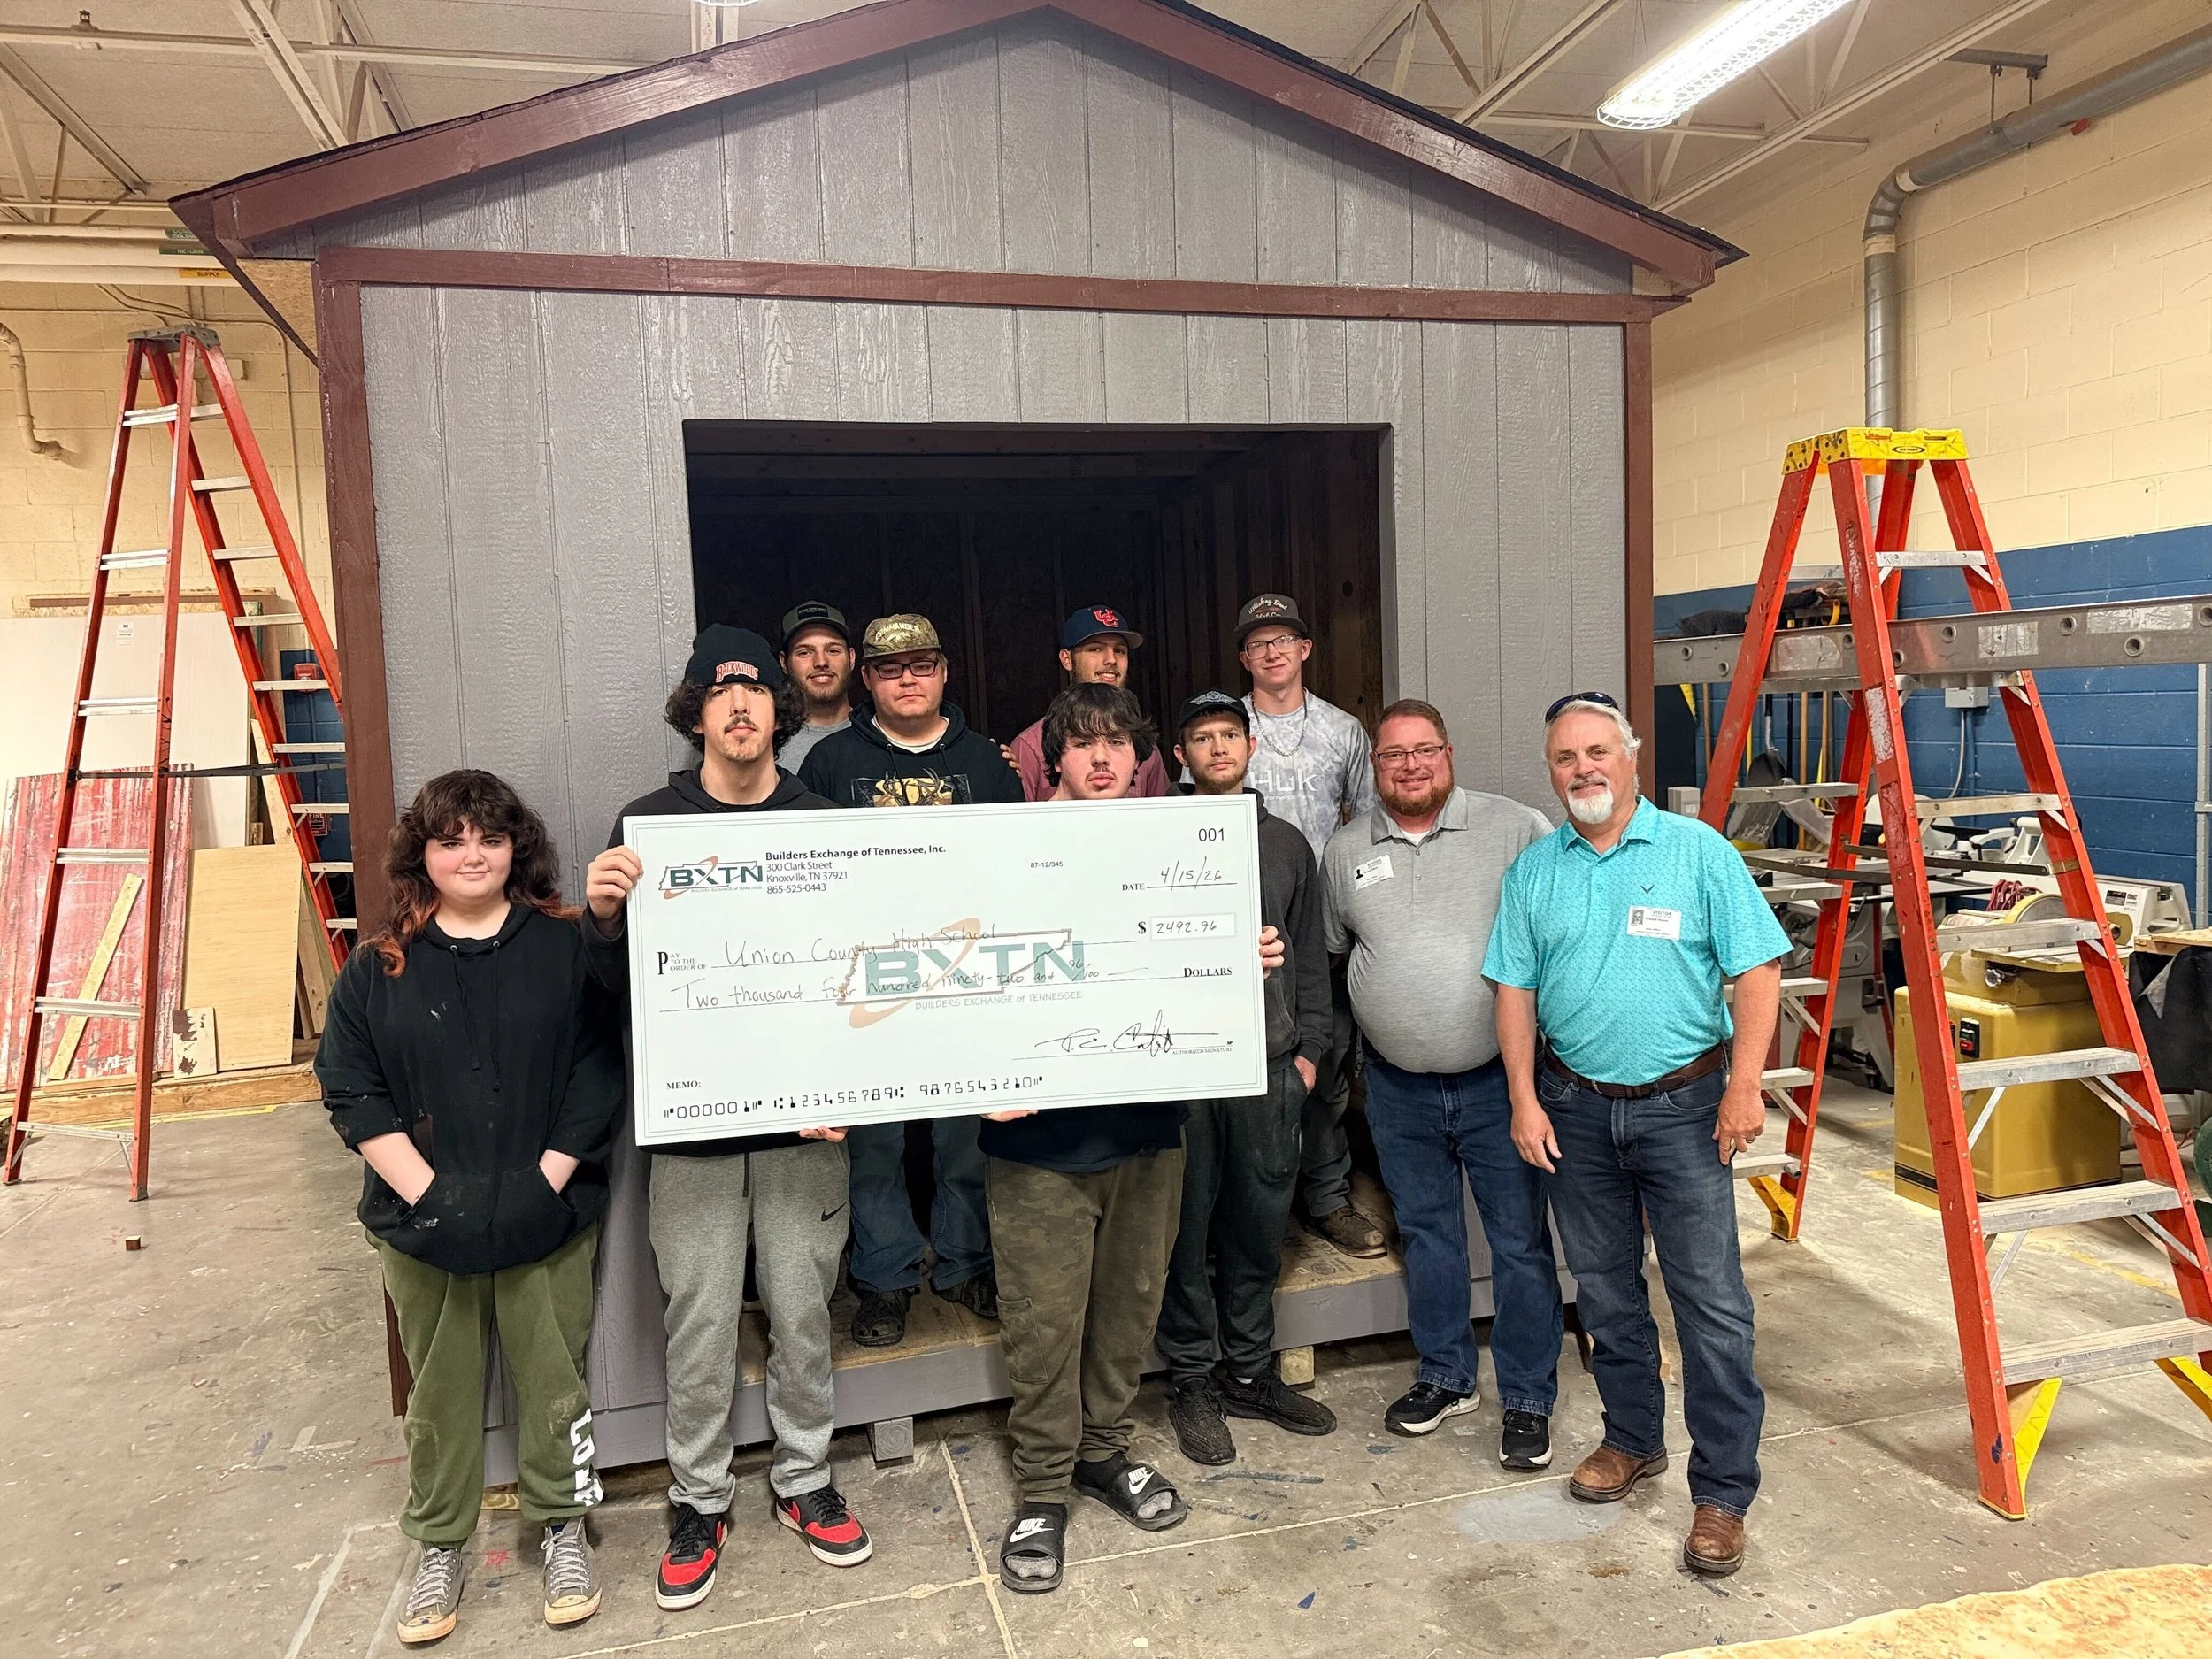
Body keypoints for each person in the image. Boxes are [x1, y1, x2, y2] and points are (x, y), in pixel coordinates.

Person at [581, 626, 872, 1610]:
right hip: (694, 1128)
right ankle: (698, 1500)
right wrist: (603, 919)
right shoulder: (645, 824)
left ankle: (803, 1479)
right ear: (696, 711)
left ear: (777, 712)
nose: (740, 704)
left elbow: (858, 969)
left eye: (755, 688)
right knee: (699, 1319)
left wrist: (852, 1085)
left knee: (800, 1309)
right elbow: (609, 994)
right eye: (721, 690)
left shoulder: (822, 820)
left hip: (806, 1127)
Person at [984, 683, 1286, 1595]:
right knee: (1045, 1325)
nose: (1103, 759)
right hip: (1037, 1144)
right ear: (1054, 760)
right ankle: (1041, 1488)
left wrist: (1246, 955)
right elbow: (959, 963)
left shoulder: (1179, 847)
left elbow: (1190, 965)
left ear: (1143, 757)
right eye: (1083, 745)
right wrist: (977, 1075)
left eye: (1118, 743)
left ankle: (1103, 1452)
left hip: (1151, 1128)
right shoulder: (1005, 849)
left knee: (1126, 1314)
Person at [1486, 691, 1788, 1579]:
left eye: (1595, 752)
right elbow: (1514, 993)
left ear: (1628, 756)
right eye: (1564, 758)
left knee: (1711, 1306)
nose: (1580, 769)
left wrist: (1743, 1087)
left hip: (1684, 1110)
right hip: (1573, 1109)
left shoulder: (1698, 854)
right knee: (1608, 1296)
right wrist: (1522, 1099)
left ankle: (1723, 1490)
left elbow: (1758, 971)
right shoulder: (1537, 870)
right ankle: (1631, 1440)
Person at [315, 769, 621, 1646]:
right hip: (422, 1228)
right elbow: (349, 1087)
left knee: (556, 1382)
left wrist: (546, 1179)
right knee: (438, 1397)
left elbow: (598, 1073)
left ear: (514, 846)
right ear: (425, 855)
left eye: (488, 837)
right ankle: (440, 1543)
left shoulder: (564, 949)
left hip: (546, 1216)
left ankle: (563, 1526)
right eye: (451, 840)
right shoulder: (379, 968)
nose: (472, 854)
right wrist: (429, 1193)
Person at [1317, 700, 1563, 1457]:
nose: (1410, 765)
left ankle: (1526, 1396)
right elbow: (1336, 950)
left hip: (1500, 1083)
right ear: (1376, 767)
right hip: (1396, 1087)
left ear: (1448, 754)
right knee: (1427, 1236)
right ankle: (1447, 1374)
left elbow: (1560, 931)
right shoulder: (1346, 848)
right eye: (1393, 755)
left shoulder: (1515, 828)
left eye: (1424, 750)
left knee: (1520, 1242)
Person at [798, 614, 1023, 1347]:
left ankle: (963, 1263)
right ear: (867, 679)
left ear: (944, 672)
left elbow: (1021, 867)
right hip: (868, 980)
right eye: (890, 668)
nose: (907, 678)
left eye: (921, 664)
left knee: (965, 1137)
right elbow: (808, 875)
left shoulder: (986, 765)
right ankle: (886, 1277)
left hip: (967, 978)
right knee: (875, 1141)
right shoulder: (830, 763)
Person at [1155, 689, 1338, 1465]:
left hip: (1267, 1067)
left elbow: (1309, 962)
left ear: (1251, 745)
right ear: (1180, 756)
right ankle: (1191, 1377)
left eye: (1230, 733)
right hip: (1184, 1067)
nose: (1218, 747)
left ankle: (1249, 1370)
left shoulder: (1289, 845)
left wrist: (1306, 1055)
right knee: (1186, 1226)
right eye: (1201, 737)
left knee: (1259, 1225)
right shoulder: (1151, 838)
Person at [1233, 593, 1386, 1260]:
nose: (1272, 651)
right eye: (1258, 642)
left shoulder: (1342, 730)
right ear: (1245, 657)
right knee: (1248, 1073)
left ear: (1304, 650)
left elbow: (1368, 820)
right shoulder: (1223, 726)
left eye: (1283, 639)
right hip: (1247, 931)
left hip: (1321, 924)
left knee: (1323, 1066)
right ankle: (1255, 1209)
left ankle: (1325, 1195)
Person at [1006, 604, 1171, 801]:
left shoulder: (1142, 741)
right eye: (1096, 649)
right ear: (1067, 659)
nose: (1111, 659)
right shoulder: (1029, 745)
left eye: (1119, 651)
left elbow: (1162, 818)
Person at [776, 600, 858, 774]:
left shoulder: (878, 734)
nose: (821, 662)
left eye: (833, 650)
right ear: (784, 662)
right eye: (804, 652)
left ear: (851, 658)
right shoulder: (767, 743)